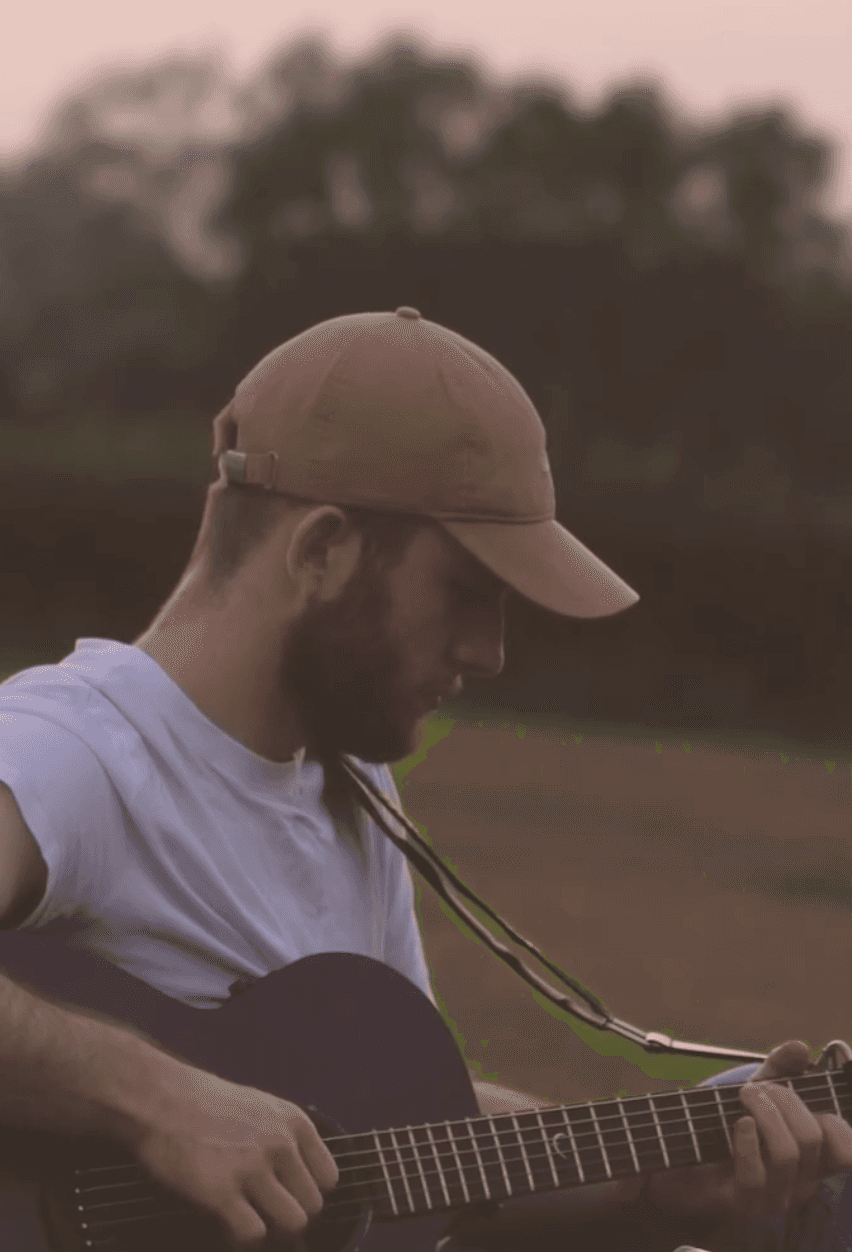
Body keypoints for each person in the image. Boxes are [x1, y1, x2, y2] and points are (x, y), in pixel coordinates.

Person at [0, 306, 849, 1252]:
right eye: (465, 592)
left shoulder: (350, 787)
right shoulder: (76, 750)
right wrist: (155, 1100)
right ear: (321, 551)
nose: (490, 654)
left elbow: (399, 1138)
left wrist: (651, 1195)